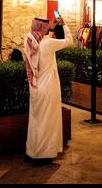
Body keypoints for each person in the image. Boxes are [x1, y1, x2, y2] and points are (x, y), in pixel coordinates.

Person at [23, 15, 73, 167]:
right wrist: (64, 25)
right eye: (47, 25)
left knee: (35, 121)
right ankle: (42, 156)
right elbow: (69, 41)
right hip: (47, 88)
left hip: (35, 87)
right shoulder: (47, 44)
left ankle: (31, 152)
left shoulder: (30, 40)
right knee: (46, 122)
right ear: (43, 28)